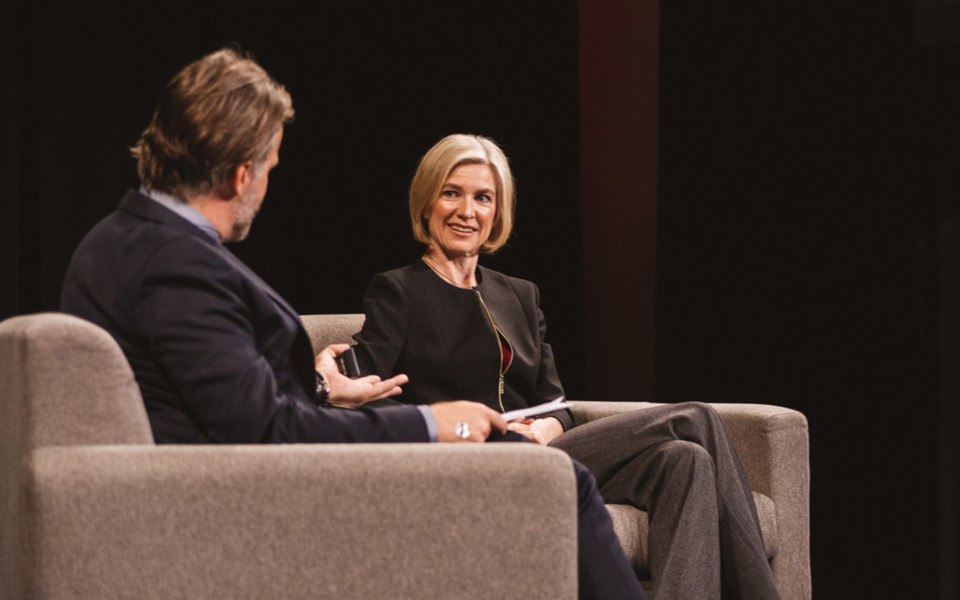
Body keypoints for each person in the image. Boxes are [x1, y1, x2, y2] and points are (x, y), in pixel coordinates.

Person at [59, 49, 644, 600]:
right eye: (269, 167)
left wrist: (319, 387)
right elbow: (268, 434)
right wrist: (436, 425)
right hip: (247, 500)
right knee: (560, 484)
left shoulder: (115, 240)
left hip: (226, 477)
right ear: (241, 174)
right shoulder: (175, 264)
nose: (265, 187)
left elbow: (218, 399)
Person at [352, 134, 782, 600]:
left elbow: (557, 403)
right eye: (451, 193)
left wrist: (547, 430)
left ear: (498, 211)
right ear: (427, 201)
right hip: (475, 458)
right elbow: (359, 374)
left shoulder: (519, 294)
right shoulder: (398, 290)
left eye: (483, 198)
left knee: (686, 459)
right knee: (696, 418)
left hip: (543, 450)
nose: (466, 211)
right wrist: (327, 380)